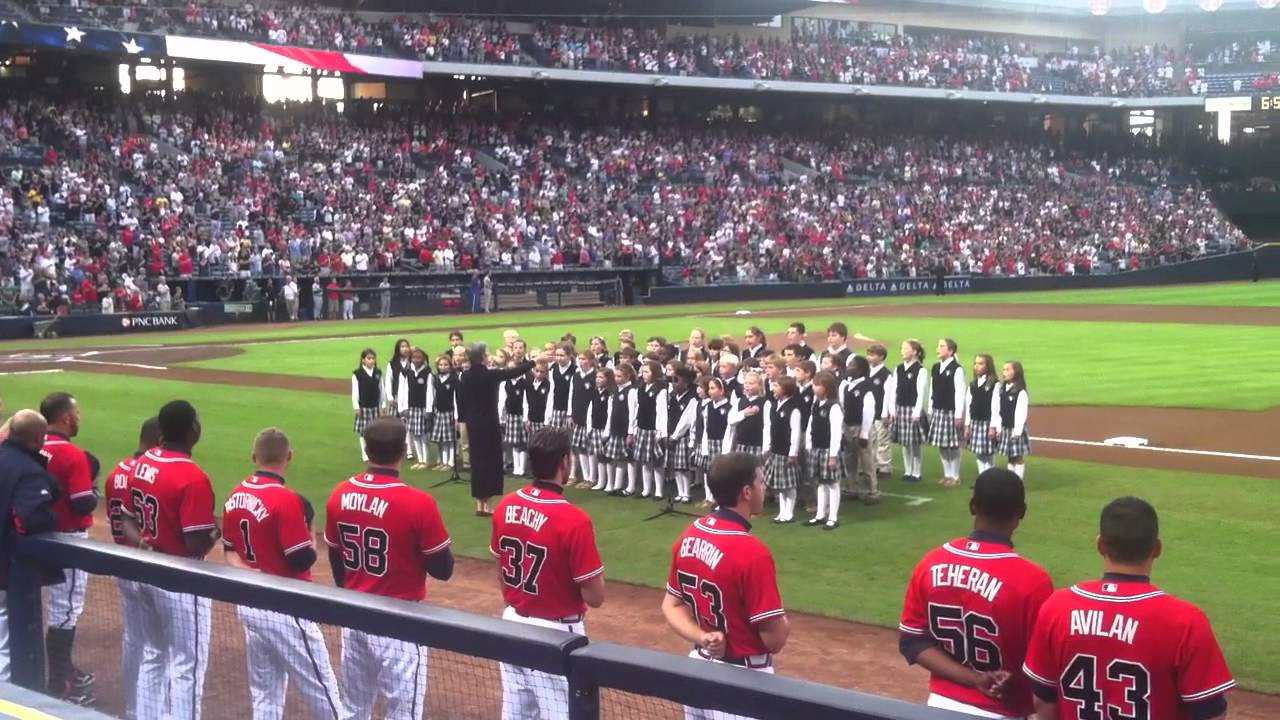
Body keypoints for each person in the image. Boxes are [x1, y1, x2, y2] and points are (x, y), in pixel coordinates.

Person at [1023, 497, 1235, 720]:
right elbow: (1210, 713)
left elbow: (1043, 699)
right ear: (1157, 549)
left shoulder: (1057, 607)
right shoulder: (1186, 621)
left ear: (1100, 545)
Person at [325, 418, 454, 720]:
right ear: (404, 450)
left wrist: (351, 593)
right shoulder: (418, 502)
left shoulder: (340, 494)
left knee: (355, 708)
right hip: (400, 621)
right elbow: (443, 569)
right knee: (404, 712)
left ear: (367, 450)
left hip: (355, 614)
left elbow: (335, 558)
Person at [899, 468, 1053, 719]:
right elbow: (1044, 670)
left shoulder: (931, 563)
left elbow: (913, 642)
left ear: (973, 506)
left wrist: (975, 679)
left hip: (938, 708)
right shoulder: (1033, 581)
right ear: (1021, 513)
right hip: (1004, 711)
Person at [223, 429, 349, 720]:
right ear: (289, 457)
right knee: (324, 691)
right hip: (287, 609)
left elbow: (230, 552)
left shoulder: (234, 495)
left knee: (265, 691)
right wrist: (311, 532)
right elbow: (300, 559)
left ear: (254, 457)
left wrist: (253, 573)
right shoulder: (286, 500)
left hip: (251, 605)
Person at [662, 453, 789, 720]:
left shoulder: (690, 534)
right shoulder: (752, 552)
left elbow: (670, 604)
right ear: (746, 492)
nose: (764, 488)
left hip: (698, 671)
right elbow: (774, 640)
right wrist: (783, 621)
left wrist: (702, 637)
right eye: (761, 482)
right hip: (743, 684)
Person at [491, 428, 605, 720]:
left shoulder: (506, 505)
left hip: (513, 623)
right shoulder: (574, 520)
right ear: (564, 462)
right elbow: (595, 596)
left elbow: (501, 569)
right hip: (557, 635)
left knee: (516, 713)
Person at [124, 400, 219, 720]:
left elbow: (126, 517)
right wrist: (217, 533)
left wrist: (143, 543)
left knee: (153, 653)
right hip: (180, 581)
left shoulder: (141, 462)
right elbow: (195, 543)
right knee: (186, 665)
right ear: (193, 430)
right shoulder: (193, 477)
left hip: (146, 571)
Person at [38, 392, 97, 704]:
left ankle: (64, 671)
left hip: (39, 537)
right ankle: (60, 684)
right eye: (76, 412)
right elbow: (81, 502)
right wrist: (95, 493)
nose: (79, 417)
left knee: (51, 606)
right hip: (69, 540)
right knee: (66, 609)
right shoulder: (74, 455)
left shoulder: (33, 445)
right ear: (64, 418)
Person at [105, 417, 161, 720]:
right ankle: (152, 710)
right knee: (161, 646)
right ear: (159, 439)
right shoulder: (153, 474)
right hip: (149, 565)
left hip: (123, 562)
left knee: (134, 637)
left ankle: (132, 707)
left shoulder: (117, 472)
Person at [0, 410, 60, 684]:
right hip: (8, 570)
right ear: (39, 439)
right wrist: (52, 517)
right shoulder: (28, 471)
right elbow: (28, 520)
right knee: (8, 641)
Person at [460, 343, 536, 516]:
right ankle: (487, 504)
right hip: (488, 423)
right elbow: (513, 372)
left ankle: (479, 503)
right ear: (482, 357)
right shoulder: (489, 375)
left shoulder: (465, 376)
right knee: (489, 462)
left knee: (477, 462)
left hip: (473, 423)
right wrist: (532, 362)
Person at [804, 371, 845, 529]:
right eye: (814, 384)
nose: (814, 388)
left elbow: (836, 432)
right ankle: (820, 514)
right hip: (816, 448)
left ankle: (833, 517)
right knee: (820, 482)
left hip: (829, 450)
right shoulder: (816, 404)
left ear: (827, 388)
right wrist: (809, 444)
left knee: (832, 483)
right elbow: (810, 425)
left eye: (818, 385)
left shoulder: (833, 406)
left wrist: (833, 455)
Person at [840, 356, 879, 505]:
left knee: (866, 460)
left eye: (852, 365)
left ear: (860, 369)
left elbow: (868, 412)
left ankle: (872, 491)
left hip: (862, 427)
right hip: (849, 426)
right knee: (850, 460)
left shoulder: (867, 387)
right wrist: (843, 430)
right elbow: (843, 409)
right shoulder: (846, 386)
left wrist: (864, 434)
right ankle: (852, 489)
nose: (848, 367)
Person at [886, 340, 928, 483]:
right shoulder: (898, 369)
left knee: (915, 442)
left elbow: (920, 393)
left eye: (905, 348)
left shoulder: (920, 370)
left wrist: (916, 412)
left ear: (915, 352)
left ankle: (916, 472)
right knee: (905, 442)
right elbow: (894, 390)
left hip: (912, 409)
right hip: (900, 408)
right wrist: (892, 409)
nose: (902, 351)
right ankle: (907, 470)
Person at [928, 338, 967, 488]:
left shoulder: (957, 369)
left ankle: (955, 476)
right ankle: (947, 474)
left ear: (950, 351)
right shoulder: (936, 367)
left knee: (953, 444)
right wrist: (931, 408)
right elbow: (932, 389)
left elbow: (960, 392)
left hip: (950, 411)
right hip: (938, 410)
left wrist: (958, 414)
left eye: (942, 346)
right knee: (942, 445)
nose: (938, 348)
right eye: (938, 346)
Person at [762, 377, 802, 524]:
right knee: (780, 485)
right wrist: (767, 446)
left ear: (786, 389)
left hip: (787, 452)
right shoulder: (774, 406)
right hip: (776, 451)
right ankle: (782, 512)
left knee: (789, 485)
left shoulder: (793, 408)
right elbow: (769, 427)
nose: (773, 389)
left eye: (777, 386)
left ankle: (789, 513)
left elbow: (795, 431)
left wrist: (793, 452)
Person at [602, 363, 639, 496]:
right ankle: (617, 486)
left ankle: (631, 486)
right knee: (618, 459)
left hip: (626, 430)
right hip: (615, 429)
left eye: (619, 376)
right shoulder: (615, 391)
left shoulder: (632, 391)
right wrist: (607, 431)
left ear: (628, 376)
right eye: (615, 376)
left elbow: (633, 413)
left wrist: (631, 432)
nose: (616, 378)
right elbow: (610, 412)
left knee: (630, 459)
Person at [634, 361, 669, 499]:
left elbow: (661, 412)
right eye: (643, 372)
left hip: (654, 430)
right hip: (643, 428)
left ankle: (659, 491)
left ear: (654, 373)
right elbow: (638, 409)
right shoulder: (641, 388)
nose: (644, 375)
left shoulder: (661, 390)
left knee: (657, 461)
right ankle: (646, 489)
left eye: (647, 372)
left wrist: (660, 432)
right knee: (645, 461)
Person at [665, 365, 699, 504]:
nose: (673, 383)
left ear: (685, 383)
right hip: (673, 435)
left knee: (683, 467)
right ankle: (680, 492)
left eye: (676, 380)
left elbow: (687, 420)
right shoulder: (673, 397)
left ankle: (686, 493)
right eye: (672, 380)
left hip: (682, 436)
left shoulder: (691, 398)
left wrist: (675, 436)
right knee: (676, 467)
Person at [398, 347, 435, 471]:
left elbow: (430, 392)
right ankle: (420, 460)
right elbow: (403, 391)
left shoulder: (428, 372)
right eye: (414, 357)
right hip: (412, 408)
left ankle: (426, 460)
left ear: (424, 359)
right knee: (415, 435)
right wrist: (403, 407)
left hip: (423, 408)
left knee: (424, 435)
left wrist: (428, 409)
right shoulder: (407, 372)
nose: (416, 360)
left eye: (419, 357)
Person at [993, 362, 1031, 479]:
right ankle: (1011, 481)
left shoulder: (1020, 392)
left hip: (1015, 429)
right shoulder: (1002, 389)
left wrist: (1017, 432)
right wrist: (999, 428)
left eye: (1008, 369)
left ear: (1016, 372)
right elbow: (999, 410)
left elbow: (1021, 413)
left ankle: (1018, 482)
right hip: (1005, 427)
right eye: (1003, 369)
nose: (1004, 372)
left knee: (1018, 457)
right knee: (1010, 456)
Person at [965, 354, 1000, 476]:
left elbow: (995, 407)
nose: (977, 366)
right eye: (976, 363)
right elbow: (969, 405)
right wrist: (967, 425)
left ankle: (989, 478)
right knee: (979, 453)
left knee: (988, 453)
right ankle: (982, 477)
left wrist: (993, 426)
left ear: (988, 366)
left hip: (987, 422)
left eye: (981, 363)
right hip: (975, 421)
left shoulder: (994, 384)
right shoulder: (973, 384)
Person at [568, 351, 598, 489]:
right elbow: (572, 395)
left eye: (584, 359)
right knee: (580, 448)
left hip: (590, 417)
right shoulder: (576, 375)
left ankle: (592, 477)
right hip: (578, 416)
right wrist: (570, 414)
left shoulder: (595, 376)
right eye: (579, 358)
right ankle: (585, 477)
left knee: (590, 449)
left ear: (591, 360)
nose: (581, 361)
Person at [865, 344, 894, 481]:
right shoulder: (866, 372)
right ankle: (874, 465)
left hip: (880, 413)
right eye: (869, 354)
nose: (869, 357)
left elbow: (888, 395)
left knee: (882, 440)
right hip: (868, 414)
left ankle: (884, 467)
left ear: (881, 357)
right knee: (871, 440)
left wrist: (885, 413)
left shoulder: (886, 375)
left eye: (873, 354)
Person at [428, 354, 461, 472]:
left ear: (450, 365)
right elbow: (433, 395)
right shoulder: (436, 378)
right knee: (440, 439)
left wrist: (456, 415)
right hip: (439, 412)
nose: (443, 367)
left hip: (449, 412)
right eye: (441, 365)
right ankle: (441, 460)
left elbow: (456, 398)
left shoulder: (454, 379)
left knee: (449, 439)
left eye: (446, 364)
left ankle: (450, 461)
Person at [351, 348, 383, 463]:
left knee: (375, 431)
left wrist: (382, 404)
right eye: (369, 358)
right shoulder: (357, 374)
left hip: (375, 406)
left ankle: (374, 451)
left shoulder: (378, 372)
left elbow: (381, 389)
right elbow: (355, 391)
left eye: (373, 358)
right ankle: (365, 453)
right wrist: (356, 406)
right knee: (364, 431)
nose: (371, 361)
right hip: (363, 406)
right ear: (363, 360)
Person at [587, 367, 615, 492]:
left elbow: (610, 413)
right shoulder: (595, 392)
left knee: (607, 458)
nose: (598, 380)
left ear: (608, 379)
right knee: (599, 456)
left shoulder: (610, 393)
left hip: (605, 429)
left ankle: (610, 483)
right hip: (595, 427)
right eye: (597, 377)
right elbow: (590, 410)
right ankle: (601, 481)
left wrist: (607, 432)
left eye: (601, 377)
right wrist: (589, 427)